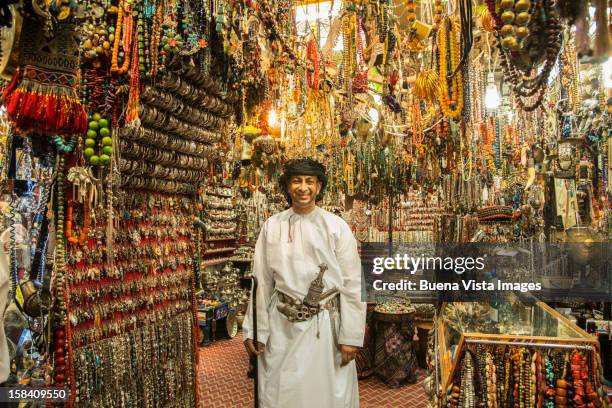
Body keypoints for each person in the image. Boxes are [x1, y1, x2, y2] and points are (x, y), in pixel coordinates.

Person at [242, 158, 366, 408]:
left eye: (310, 181)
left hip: (324, 327)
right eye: (296, 181)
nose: (303, 187)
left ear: (319, 187)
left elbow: (353, 283)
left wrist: (351, 336)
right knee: (279, 393)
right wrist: (255, 330)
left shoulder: (336, 226)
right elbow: (262, 282)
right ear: (287, 186)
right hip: (281, 326)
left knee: (326, 397)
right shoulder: (272, 226)